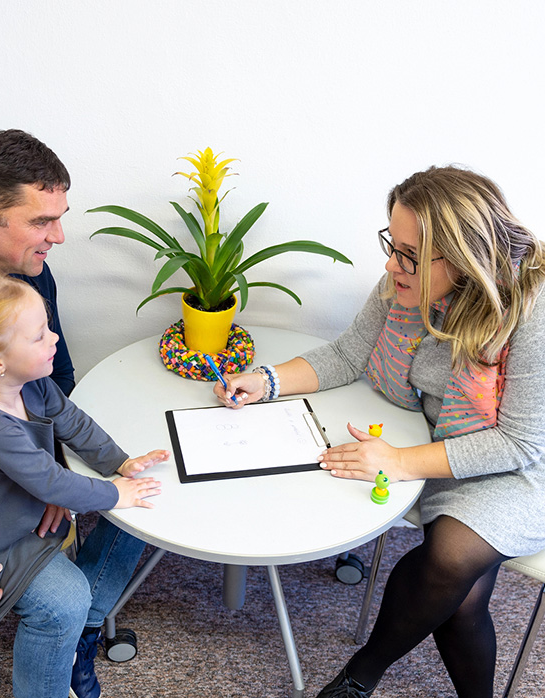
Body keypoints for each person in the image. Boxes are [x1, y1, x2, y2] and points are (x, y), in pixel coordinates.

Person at [214, 165, 545, 698]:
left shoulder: (533, 310)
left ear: (463, 256)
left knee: (452, 561)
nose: (393, 263)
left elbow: (522, 443)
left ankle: (358, 675)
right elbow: (349, 354)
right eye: (393, 244)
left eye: (411, 254)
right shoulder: (402, 283)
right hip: (432, 443)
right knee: (460, 598)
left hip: (520, 466)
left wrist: (398, 459)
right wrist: (266, 380)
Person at [0, 129, 152, 697]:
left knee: (148, 489)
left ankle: (78, 636)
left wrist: (47, 485)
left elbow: (56, 386)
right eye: (42, 221)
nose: (58, 237)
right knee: (65, 598)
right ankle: (57, 631)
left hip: (14, 472)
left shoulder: (27, 274)